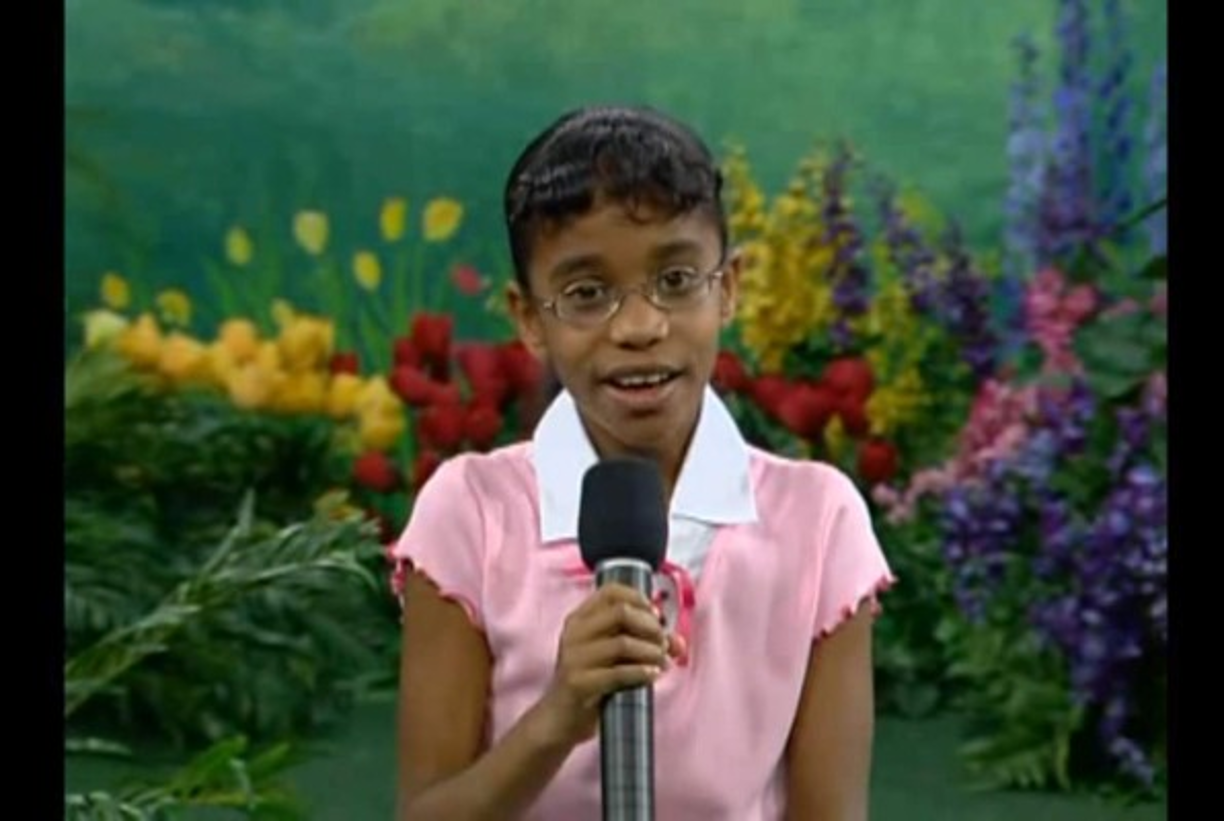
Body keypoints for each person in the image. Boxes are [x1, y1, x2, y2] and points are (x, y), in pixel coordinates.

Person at [391, 104, 895, 820]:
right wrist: (556, 716)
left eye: (677, 279)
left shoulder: (815, 521)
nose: (639, 326)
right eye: (587, 294)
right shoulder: (471, 512)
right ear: (529, 318)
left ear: (728, 287)